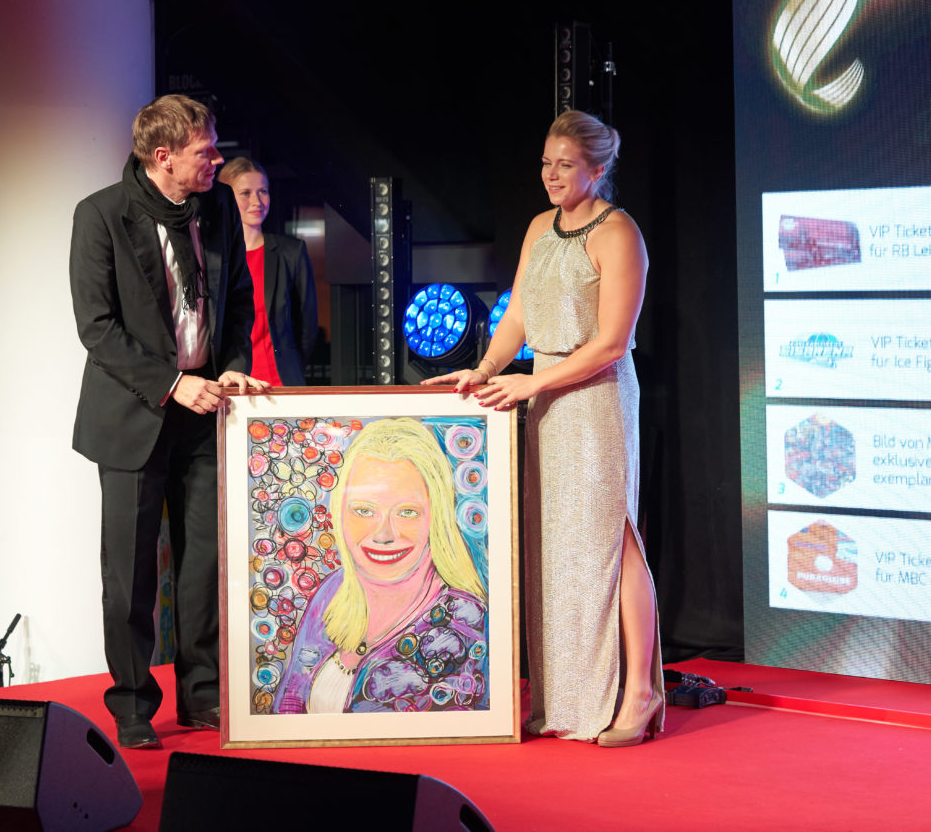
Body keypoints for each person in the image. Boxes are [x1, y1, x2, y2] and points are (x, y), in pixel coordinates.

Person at [426, 110, 664, 745]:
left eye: (566, 165)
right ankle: (569, 695)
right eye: (545, 163)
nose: (552, 175)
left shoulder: (618, 232)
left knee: (612, 542)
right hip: (548, 402)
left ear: (598, 169)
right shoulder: (539, 226)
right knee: (560, 549)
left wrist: (532, 383)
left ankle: (638, 693)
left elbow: (611, 343)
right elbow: (519, 316)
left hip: (596, 402)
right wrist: (484, 369)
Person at [69, 94, 265, 749]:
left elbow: (239, 300)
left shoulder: (218, 210)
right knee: (130, 574)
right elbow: (97, 327)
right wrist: (173, 385)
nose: (216, 160)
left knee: (203, 565)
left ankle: (202, 695)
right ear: (164, 157)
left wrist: (231, 366)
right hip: (136, 415)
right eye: (204, 151)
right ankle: (131, 706)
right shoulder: (100, 215)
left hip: (205, 410)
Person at [273, 417, 488, 713]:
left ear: (436, 518)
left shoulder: (465, 622)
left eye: (407, 512)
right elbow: (288, 706)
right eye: (364, 510)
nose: (383, 535)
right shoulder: (334, 590)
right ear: (341, 513)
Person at [218, 158, 319, 386]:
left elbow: (308, 327)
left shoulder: (291, 252)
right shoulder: (214, 256)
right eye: (246, 193)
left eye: (263, 191)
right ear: (227, 198)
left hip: (280, 382)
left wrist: (292, 367)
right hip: (231, 384)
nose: (257, 201)